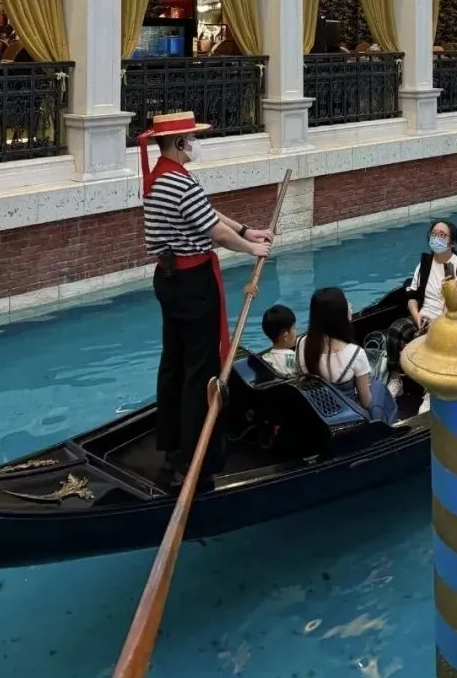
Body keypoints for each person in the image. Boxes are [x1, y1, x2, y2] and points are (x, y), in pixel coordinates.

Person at [141, 111, 274, 486]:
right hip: (193, 283)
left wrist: (247, 230)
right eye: (193, 138)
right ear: (180, 142)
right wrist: (251, 249)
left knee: (174, 362)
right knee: (201, 369)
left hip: (168, 280)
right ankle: (195, 457)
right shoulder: (179, 182)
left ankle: (171, 446)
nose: (196, 143)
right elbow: (214, 231)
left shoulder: (161, 177)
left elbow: (208, 215)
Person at [385, 221, 457, 395]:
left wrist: (439, 323)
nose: (436, 238)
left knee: (433, 341)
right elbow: (412, 294)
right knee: (395, 330)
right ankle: (395, 378)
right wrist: (417, 316)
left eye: (442, 235)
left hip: (446, 324)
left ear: (452, 243)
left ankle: (431, 390)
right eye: (434, 234)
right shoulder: (425, 264)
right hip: (422, 318)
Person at [295, 287, 398, 424]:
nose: (350, 305)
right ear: (339, 316)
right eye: (346, 303)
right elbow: (366, 401)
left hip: (317, 412)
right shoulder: (355, 354)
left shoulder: (301, 343)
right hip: (346, 418)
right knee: (378, 387)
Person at [259, 304, 298, 377]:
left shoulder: (265, 359)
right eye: (294, 328)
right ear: (285, 336)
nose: (296, 331)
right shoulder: (291, 356)